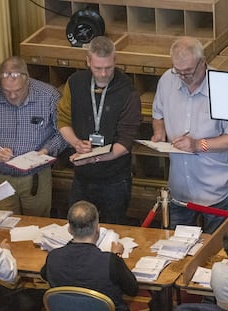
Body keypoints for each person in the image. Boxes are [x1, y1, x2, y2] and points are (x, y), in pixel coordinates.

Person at [151, 36, 228, 233]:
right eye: (179, 71)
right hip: (180, 188)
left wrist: (198, 145)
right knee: (176, 250)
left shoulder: (224, 88)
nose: (184, 77)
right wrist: (158, 132)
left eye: (189, 72)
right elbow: (157, 113)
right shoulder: (168, 79)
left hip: (217, 188)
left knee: (216, 251)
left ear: (203, 62)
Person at [0, 56, 67, 217]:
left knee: (37, 224)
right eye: (6, 91)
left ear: (28, 81)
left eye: (17, 91)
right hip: (3, 178)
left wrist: (47, 150)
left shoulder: (49, 96)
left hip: (36, 178)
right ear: (0, 84)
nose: (12, 96)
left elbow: (64, 132)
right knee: (6, 224)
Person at [57, 36, 141, 224]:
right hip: (82, 177)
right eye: (97, 68)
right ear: (88, 61)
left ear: (115, 60)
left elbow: (127, 140)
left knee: (114, 229)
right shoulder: (75, 83)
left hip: (115, 178)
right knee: (78, 229)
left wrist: (95, 157)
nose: (103, 74)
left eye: (108, 68)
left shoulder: (127, 90)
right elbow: (63, 120)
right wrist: (76, 143)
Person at [40, 200, 139, 311]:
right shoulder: (111, 261)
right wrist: (117, 255)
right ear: (97, 228)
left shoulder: (53, 257)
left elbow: (44, 275)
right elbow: (133, 290)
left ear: (69, 229)